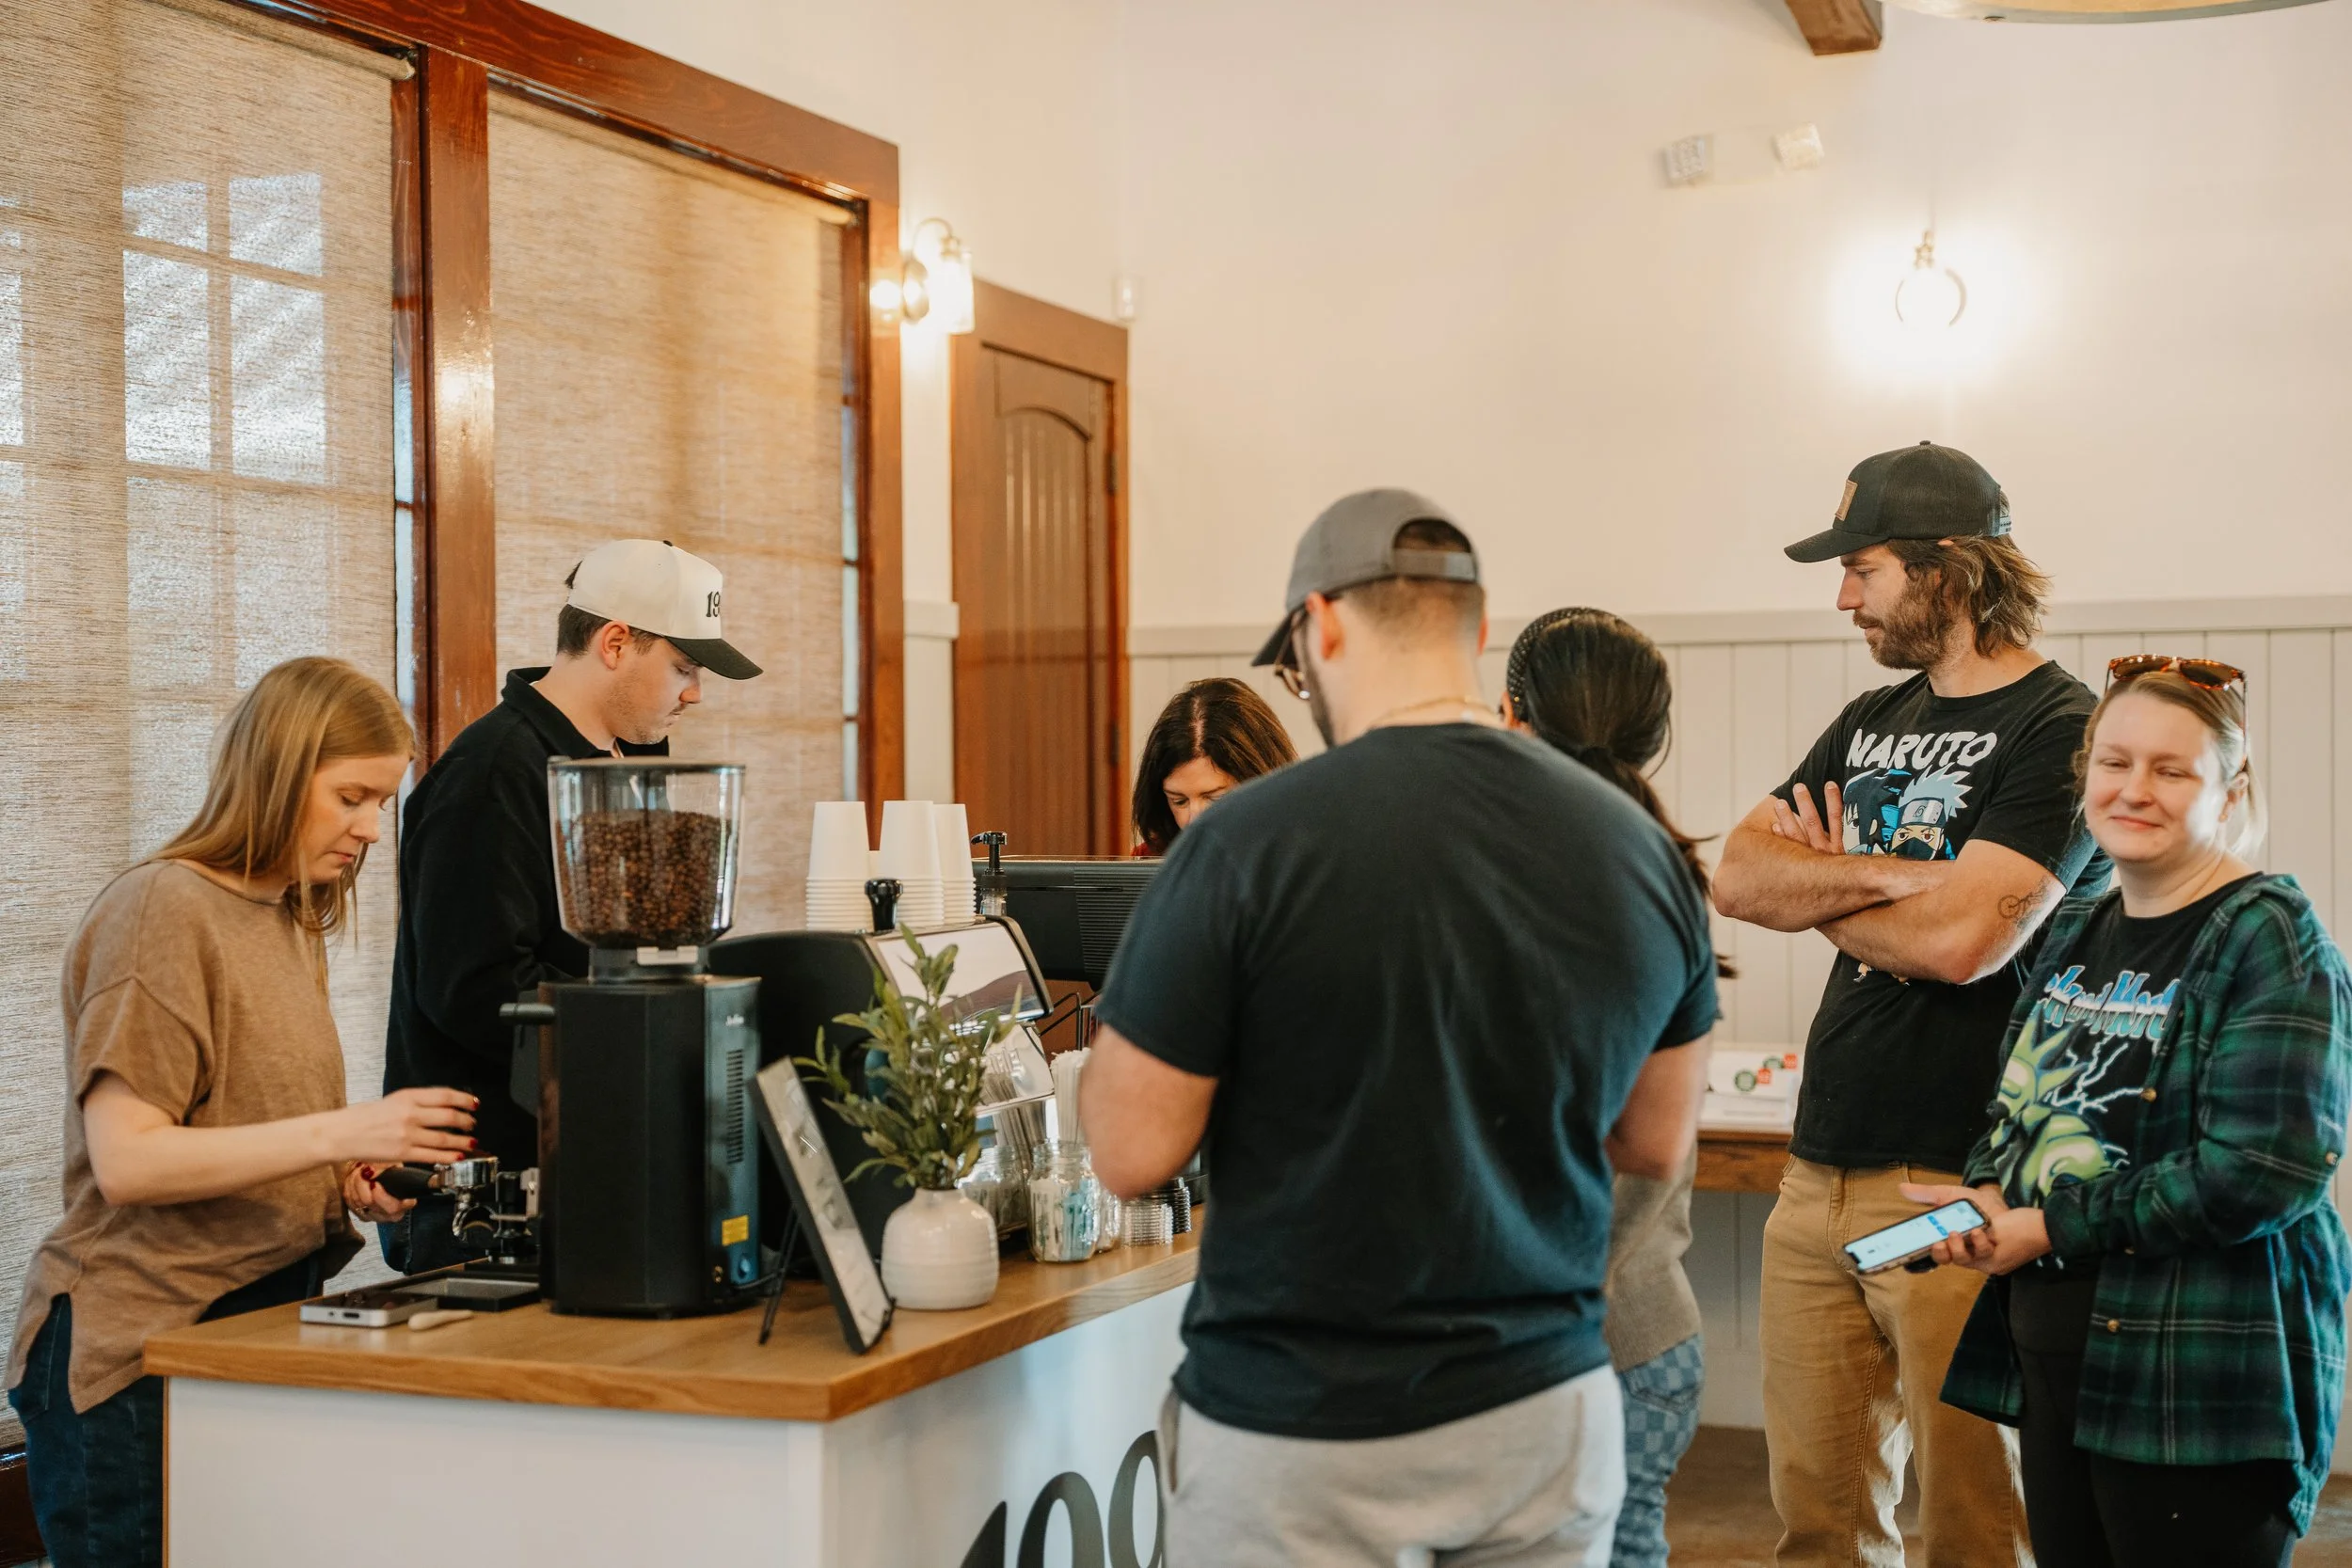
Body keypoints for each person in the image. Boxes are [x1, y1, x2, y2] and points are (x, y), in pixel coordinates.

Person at [1081, 489, 1719, 1566]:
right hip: (1542, 1408)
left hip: (1302, 1421)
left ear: (1320, 626)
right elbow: (1656, 1139)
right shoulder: (1636, 846)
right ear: (1477, 628)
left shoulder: (1242, 843)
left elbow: (1129, 1151)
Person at [1711, 442, 2109, 1568]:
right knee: (1816, 1525)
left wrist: (1825, 888)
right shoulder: (1868, 717)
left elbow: (1963, 943)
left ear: (1948, 569)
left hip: (1954, 1184)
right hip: (1815, 1171)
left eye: (1863, 568)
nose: (1844, 597)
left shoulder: (2061, 727)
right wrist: (1905, 879)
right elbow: (1738, 876)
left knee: (1975, 1527)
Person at [5, 658, 480, 1568]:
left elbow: (243, 1119)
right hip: (139, 1355)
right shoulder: (161, 910)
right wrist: (345, 1129)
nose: (370, 828)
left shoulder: (289, 915)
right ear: (276, 770)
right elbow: (130, 1161)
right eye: (350, 797)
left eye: (382, 802)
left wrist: (343, 1178)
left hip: (247, 1329)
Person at [1904, 657, 2352, 1568]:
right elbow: (2018, 1097)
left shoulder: (2269, 934)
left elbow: (2261, 1169)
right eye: (2114, 762)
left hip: (2194, 1390)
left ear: (2230, 793)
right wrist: (1989, 1192)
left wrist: (2051, 1225)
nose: (2133, 789)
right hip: (2057, 1366)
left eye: (2171, 769)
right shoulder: (2079, 924)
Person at [382, 538, 762, 1271]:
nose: (695, 694)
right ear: (614, 642)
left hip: (608, 1149)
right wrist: (639, 1038)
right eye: (684, 667)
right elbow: (475, 991)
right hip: (493, 1191)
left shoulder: (633, 759)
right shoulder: (492, 774)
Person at [1502, 608, 1731, 1568]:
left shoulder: (1513, 883)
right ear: (1654, 733)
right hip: (1645, 1329)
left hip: (1553, 1338)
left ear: (1510, 717)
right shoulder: (1664, 874)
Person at [1131, 676, 1298, 856]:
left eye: (1216, 798)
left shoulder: (1301, 856)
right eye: (1179, 801)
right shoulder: (1152, 856)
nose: (1194, 821)